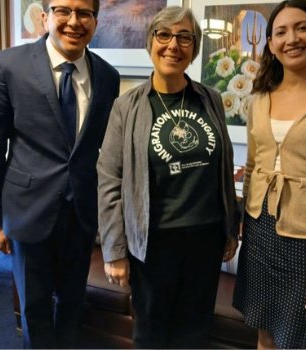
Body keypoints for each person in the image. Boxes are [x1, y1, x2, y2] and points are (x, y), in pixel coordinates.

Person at [97, 6, 239, 348]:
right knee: (151, 336)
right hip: (153, 245)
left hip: (205, 241)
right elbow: (109, 178)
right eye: (164, 35)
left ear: (193, 49)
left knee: (194, 335)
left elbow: (224, 165)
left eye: (184, 37)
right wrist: (114, 250)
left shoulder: (212, 100)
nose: (173, 45)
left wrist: (229, 230)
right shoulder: (127, 106)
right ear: (151, 43)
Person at [0, 0, 120, 347]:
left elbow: (103, 151)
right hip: (27, 209)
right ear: (45, 16)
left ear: (95, 20)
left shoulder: (108, 76)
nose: (74, 21)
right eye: (64, 10)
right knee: (34, 309)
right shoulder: (10, 66)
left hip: (81, 213)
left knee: (72, 305)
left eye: (85, 13)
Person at [231, 1, 306, 348]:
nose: (292, 39)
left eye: (302, 28)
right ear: (270, 43)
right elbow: (254, 167)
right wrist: (241, 220)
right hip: (260, 231)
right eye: (281, 32)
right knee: (265, 333)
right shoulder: (259, 99)